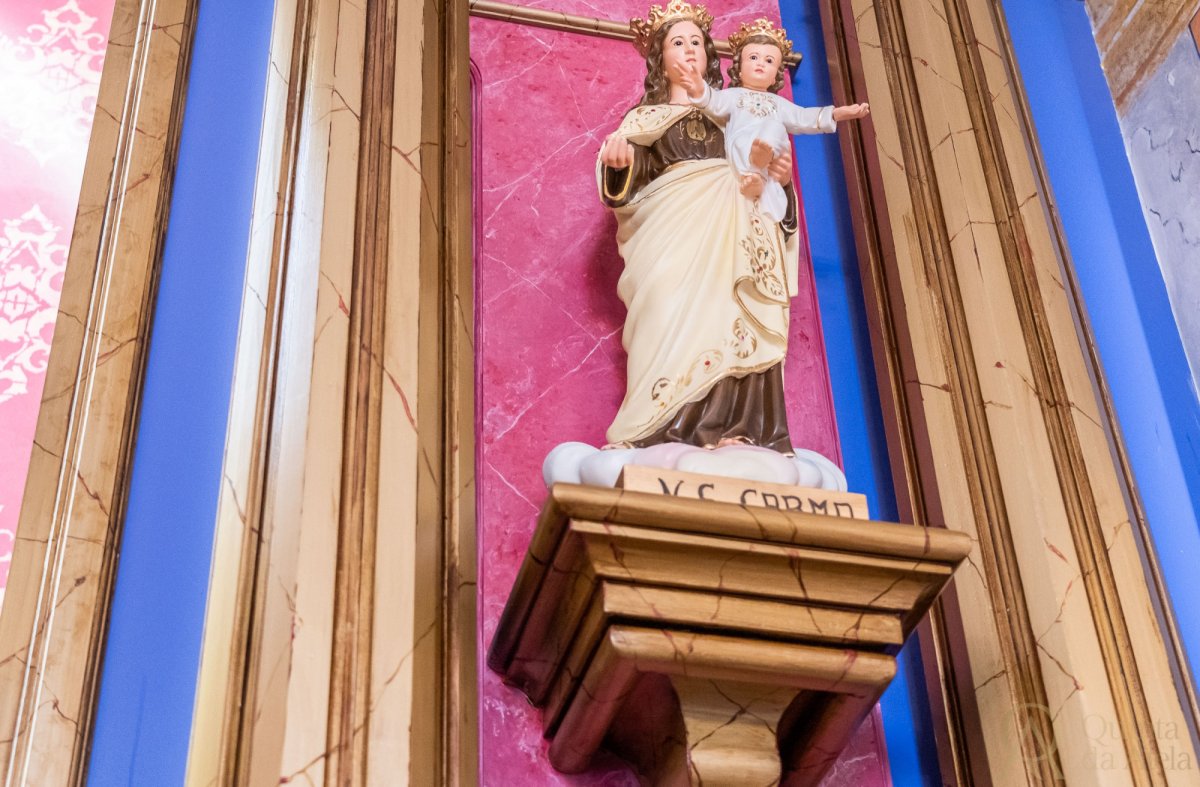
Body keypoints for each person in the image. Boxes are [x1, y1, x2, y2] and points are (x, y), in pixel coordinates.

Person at [597, 2, 805, 454]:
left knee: (733, 312)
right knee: (666, 310)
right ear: (660, 58)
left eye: (697, 42)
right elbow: (626, 191)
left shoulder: (735, 115)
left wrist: (781, 182)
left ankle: (736, 426)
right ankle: (655, 427)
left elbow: (770, 194)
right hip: (670, 237)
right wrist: (619, 165)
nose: (690, 50)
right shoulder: (643, 121)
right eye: (678, 42)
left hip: (735, 237)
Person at [677, 18, 870, 223]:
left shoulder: (779, 104)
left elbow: (804, 117)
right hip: (741, 148)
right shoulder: (733, 96)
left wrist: (837, 114)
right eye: (753, 57)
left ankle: (758, 171)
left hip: (768, 157)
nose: (761, 63)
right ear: (739, 69)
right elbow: (713, 102)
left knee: (775, 128)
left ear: (775, 77)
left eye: (769, 61)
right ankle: (754, 171)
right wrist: (698, 87)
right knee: (751, 139)